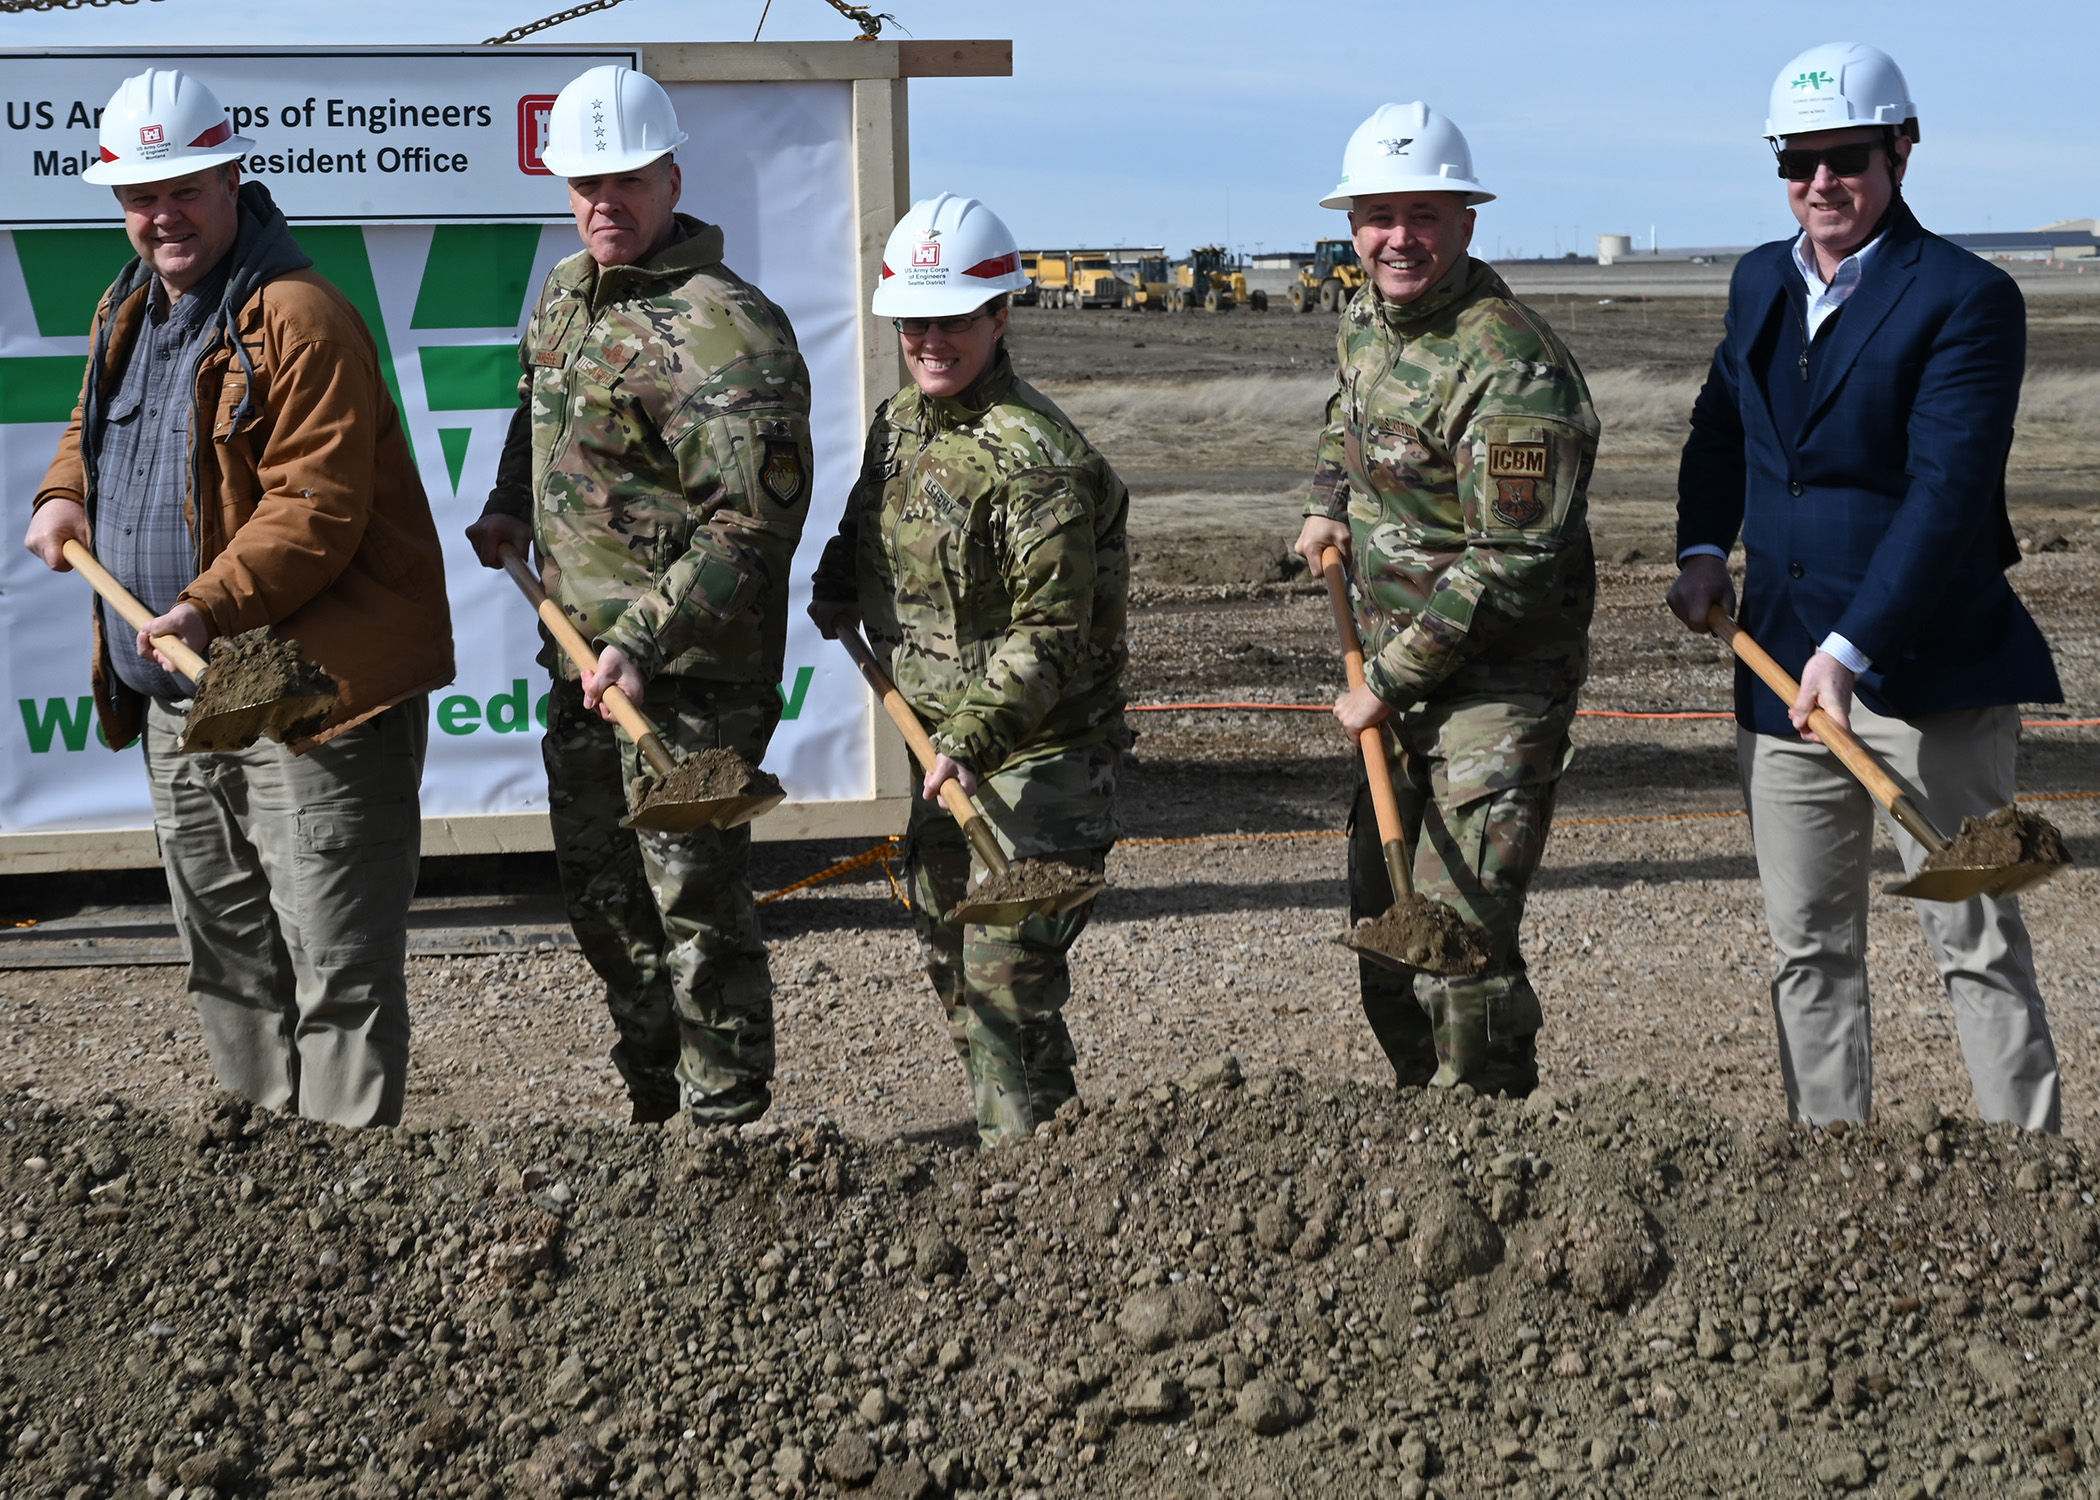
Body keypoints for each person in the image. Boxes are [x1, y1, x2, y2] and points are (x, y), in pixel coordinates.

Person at [22, 69, 454, 1129]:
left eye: (183, 189)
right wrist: (63, 491)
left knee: (334, 959)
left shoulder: (298, 317)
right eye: (139, 195)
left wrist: (208, 606)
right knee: (225, 952)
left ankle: (343, 1189)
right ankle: (264, 1175)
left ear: (230, 179)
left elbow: (314, 504)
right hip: (180, 689)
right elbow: (98, 423)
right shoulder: (130, 304)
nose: (160, 215)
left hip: (305, 695)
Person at [1669, 43, 2063, 1131]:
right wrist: (1705, 544)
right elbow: (1722, 422)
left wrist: (1848, 652)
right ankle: (1831, 1177)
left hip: (1924, 677)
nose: (1820, 183)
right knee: (1809, 949)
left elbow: (1947, 498)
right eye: (1797, 161)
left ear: (1902, 148)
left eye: (1846, 156)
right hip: (1778, 673)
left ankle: (2032, 1187)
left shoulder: (1967, 299)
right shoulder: (1758, 279)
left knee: (1976, 940)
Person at [466, 65, 813, 1127]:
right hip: (581, 663)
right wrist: (508, 507)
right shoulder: (567, 298)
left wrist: (645, 643)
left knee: (695, 914)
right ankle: (657, 1112)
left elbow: (752, 526)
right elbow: (537, 413)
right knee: (605, 902)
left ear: (670, 177)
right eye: (582, 183)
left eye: (622, 180)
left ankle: (726, 1136)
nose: (600, 202)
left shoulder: (727, 330)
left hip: (691, 678)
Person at [808, 193, 1129, 1148]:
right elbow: (867, 523)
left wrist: (971, 741)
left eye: (951, 319)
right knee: (958, 965)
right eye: (914, 321)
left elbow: (1052, 631)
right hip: (945, 753)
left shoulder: (1041, 462)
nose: (930, 340)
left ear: (1000, 315)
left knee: (1002, 976)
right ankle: (1050, 1145)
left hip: (1042, 758)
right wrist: (835, 581)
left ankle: (1026, 1180)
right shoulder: (902, 424)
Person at [1292, 103, 1598, 1099]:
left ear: (1467, 221)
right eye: (1379, 215)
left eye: (1424, 213)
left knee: (1458, 961)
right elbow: (1350, 418)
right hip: (1398, 684)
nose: (1399, 237)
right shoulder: (1367, 321)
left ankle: (1494, 1146)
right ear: (1353, 228)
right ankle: (1430, 1138)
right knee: (1390, 953)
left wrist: (1382, 679)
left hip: (1494, 690)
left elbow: (1512, 565)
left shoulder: (1511, 367)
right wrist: (1327, 506)